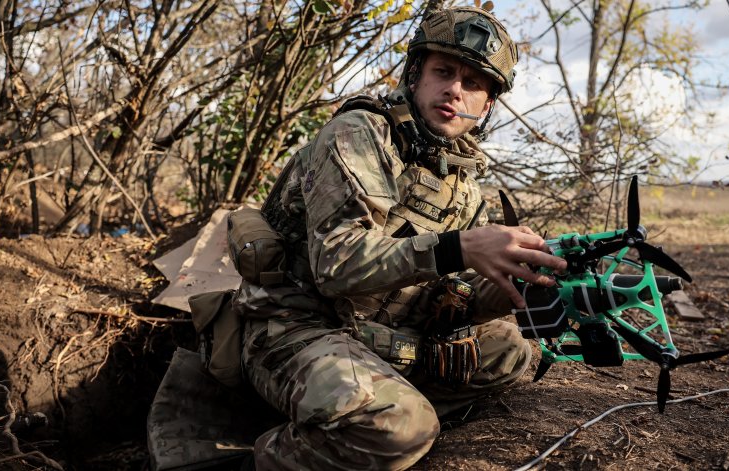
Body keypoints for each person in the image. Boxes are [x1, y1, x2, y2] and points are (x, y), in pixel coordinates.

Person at [233, 6, 567, 470]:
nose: (455, 89)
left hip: (373, 331)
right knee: (403, 429)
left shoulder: (461, 182)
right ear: (415, 75)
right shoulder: (360, 134)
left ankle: (369, 419)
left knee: (508, 352)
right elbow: (337, 266)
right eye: (444, 72)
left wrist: (524, 285)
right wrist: (461, 247)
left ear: (487, 105)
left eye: (474, 84)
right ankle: (264, 457)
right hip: (294, 328)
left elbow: (454, 294)